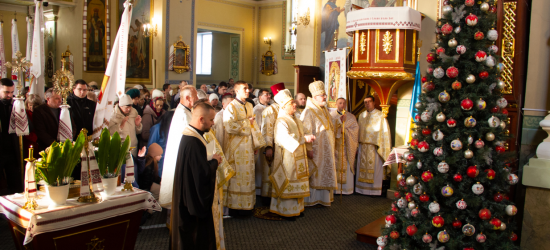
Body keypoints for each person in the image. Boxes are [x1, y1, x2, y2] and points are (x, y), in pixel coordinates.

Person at [170, 101, 222, 250]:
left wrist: (210, 159)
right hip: (192, 203)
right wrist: (215, 163)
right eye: (211, 120)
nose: (213, 123)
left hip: (188, 196)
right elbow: (200, 173)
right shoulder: (192, 141)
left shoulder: (195, 135)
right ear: (201, 119)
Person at [269, 89, 315, 219]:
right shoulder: (281, 121)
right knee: (289, 180)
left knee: (298, 180)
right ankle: (286, 211)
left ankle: (298, 208)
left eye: (294, 103)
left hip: (299, 155)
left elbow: (301, 133)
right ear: (284, 106)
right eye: (292, 103)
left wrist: (307, 137)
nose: (295, 105)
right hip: (287, 157)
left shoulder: (296, 118)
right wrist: (303, 139)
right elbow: (284, 139)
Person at [223, 81, 264, 212]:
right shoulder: (231, 107)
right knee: (238, 177)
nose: (247, 91)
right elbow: (229, 126)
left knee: (248, 176)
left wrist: (256, 143)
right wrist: (247, 122)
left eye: (248, 88)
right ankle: (236, 208)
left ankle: (247, 205)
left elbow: (254, 126)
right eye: (244, 89)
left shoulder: (249, 106)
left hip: (248, 147)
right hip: (236, 149)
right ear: (237, 91)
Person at [300, 80, 341, 206]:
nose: (325, 97)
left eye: (325, 95)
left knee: (325, 171)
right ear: (314, 97)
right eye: (322, 95)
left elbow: (330, 126)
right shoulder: (308, 111)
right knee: (316, 173)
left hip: (326, 149)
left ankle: (324, 199)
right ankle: (312, 200)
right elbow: (305, 131)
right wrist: (309, 148)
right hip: (317, 149)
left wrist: (339, 123)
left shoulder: (323, 109)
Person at [160, 85, 197, 208]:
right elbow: (189, 139)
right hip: (181, 157)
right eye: (195, 96)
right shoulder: (183, 114)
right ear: (188, 98)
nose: (197, 98)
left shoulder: (184, 110)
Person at [356, 95, 391, 195]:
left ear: (374, 102)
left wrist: (381, 146)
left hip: (374, 147)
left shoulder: (380, 115)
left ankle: (374, 191)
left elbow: (385, 132)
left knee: (375, 169)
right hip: (363, 146)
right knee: (361, 168)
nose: (367, 104)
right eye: (365, 102)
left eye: (369, 101)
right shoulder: (361, 116)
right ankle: (361, 190)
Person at [259, 83, 285, 199]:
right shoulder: (270, 110)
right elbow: (266, 129)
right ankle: (268, 196)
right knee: (271, 170)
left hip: (284, 147)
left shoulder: (286, 108)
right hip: (273, 146)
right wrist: (268, 147)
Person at [330, 98, 359, 195]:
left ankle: (346, 189)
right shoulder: (331, 116)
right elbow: (329, 130)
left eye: (344, 103)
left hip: (347, 146)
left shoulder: (351, 117)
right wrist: (338, 129)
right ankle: (335, 190)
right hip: (335, 147)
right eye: (340, 103)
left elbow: (355, 131)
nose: (342, 105)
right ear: (336, 104)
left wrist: (345, 131)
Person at [0, 78, 23, 195]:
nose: (9, 95)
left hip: (12, 149)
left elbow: (27, 127)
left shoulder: (16, 104)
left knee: (15, 183)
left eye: (11, 92)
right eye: (6, 92)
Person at [252, 88, 270, 195]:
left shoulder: (271, 107)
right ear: (260, 97)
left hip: (269, 140)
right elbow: (256, 127)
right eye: (266, 94)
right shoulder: (257, 109)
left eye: (269, 94)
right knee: (260, 165)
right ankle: (259, 189)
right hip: (261, 141)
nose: (269, 96)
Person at [147, 110, 175, 179]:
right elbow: (150, 147)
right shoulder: (157, 128)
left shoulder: (172, 129)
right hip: (158, 163)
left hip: (169, 162)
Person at [23, 94, 42, 159]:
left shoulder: (41, 113)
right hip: (29, 141)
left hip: (40, 141)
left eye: (35, 105)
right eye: (30, 105)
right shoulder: (25, 114)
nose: (32, 107)